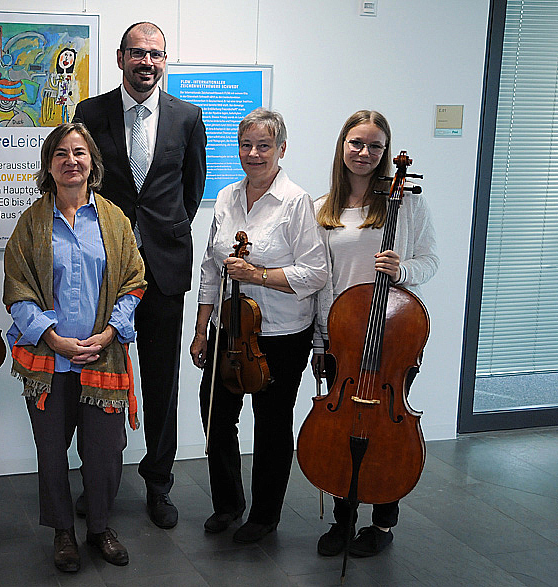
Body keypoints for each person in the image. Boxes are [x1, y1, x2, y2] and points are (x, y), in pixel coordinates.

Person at [72, 21, 207, 528]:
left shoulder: (187, 117)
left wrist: (162, 233)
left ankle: (158, 483)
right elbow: (84, 182)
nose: (146, 62)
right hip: (103, 267)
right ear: (121, 57)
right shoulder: (90, 113)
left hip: (165, 271)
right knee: (97, 376)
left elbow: (191, 189)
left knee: (160, 382)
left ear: (164, 60)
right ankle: (98, 479)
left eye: (156, 54)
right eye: (137, 53)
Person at [3, 123, 146, 572]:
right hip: (50, 359)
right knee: (50, 451)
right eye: (61, 153)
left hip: (103, 355)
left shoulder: (115, 220)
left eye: (79, 152)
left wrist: (109, 334)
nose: (71, 160)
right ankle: (63, 532)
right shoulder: (31, 223)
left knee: (104, 452)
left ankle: (100, 526)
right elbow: (18, 290)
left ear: (92, 163)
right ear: (49, 164)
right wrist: (52, 338)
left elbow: (134, 281)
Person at [189, 109, 328, 543]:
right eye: (246, 145)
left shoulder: (296, 202)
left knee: (270, 425)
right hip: (229, 330)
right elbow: (211, 269)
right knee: (217, 417)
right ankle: (228, 503)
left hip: (283, 335)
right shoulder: (228, 197)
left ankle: (265, 515)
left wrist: (258, 275)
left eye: (263, 146)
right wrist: (200, 329)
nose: (253, 153)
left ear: (281, 150)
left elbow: (315, 273)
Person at [311, 110, 438, 558]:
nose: (364, 153)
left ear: (386, 153)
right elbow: (323, 279)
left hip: (393, 339)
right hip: (343, 339)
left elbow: (430, 261)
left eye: (375, 146)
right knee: (343, 429)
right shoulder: (323, 208)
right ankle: (343, 520)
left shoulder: (407, 203)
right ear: (343, 145)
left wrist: (401, 268)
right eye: (357, 143)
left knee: (386, 429)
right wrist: (322, 338)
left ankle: (382, 523)